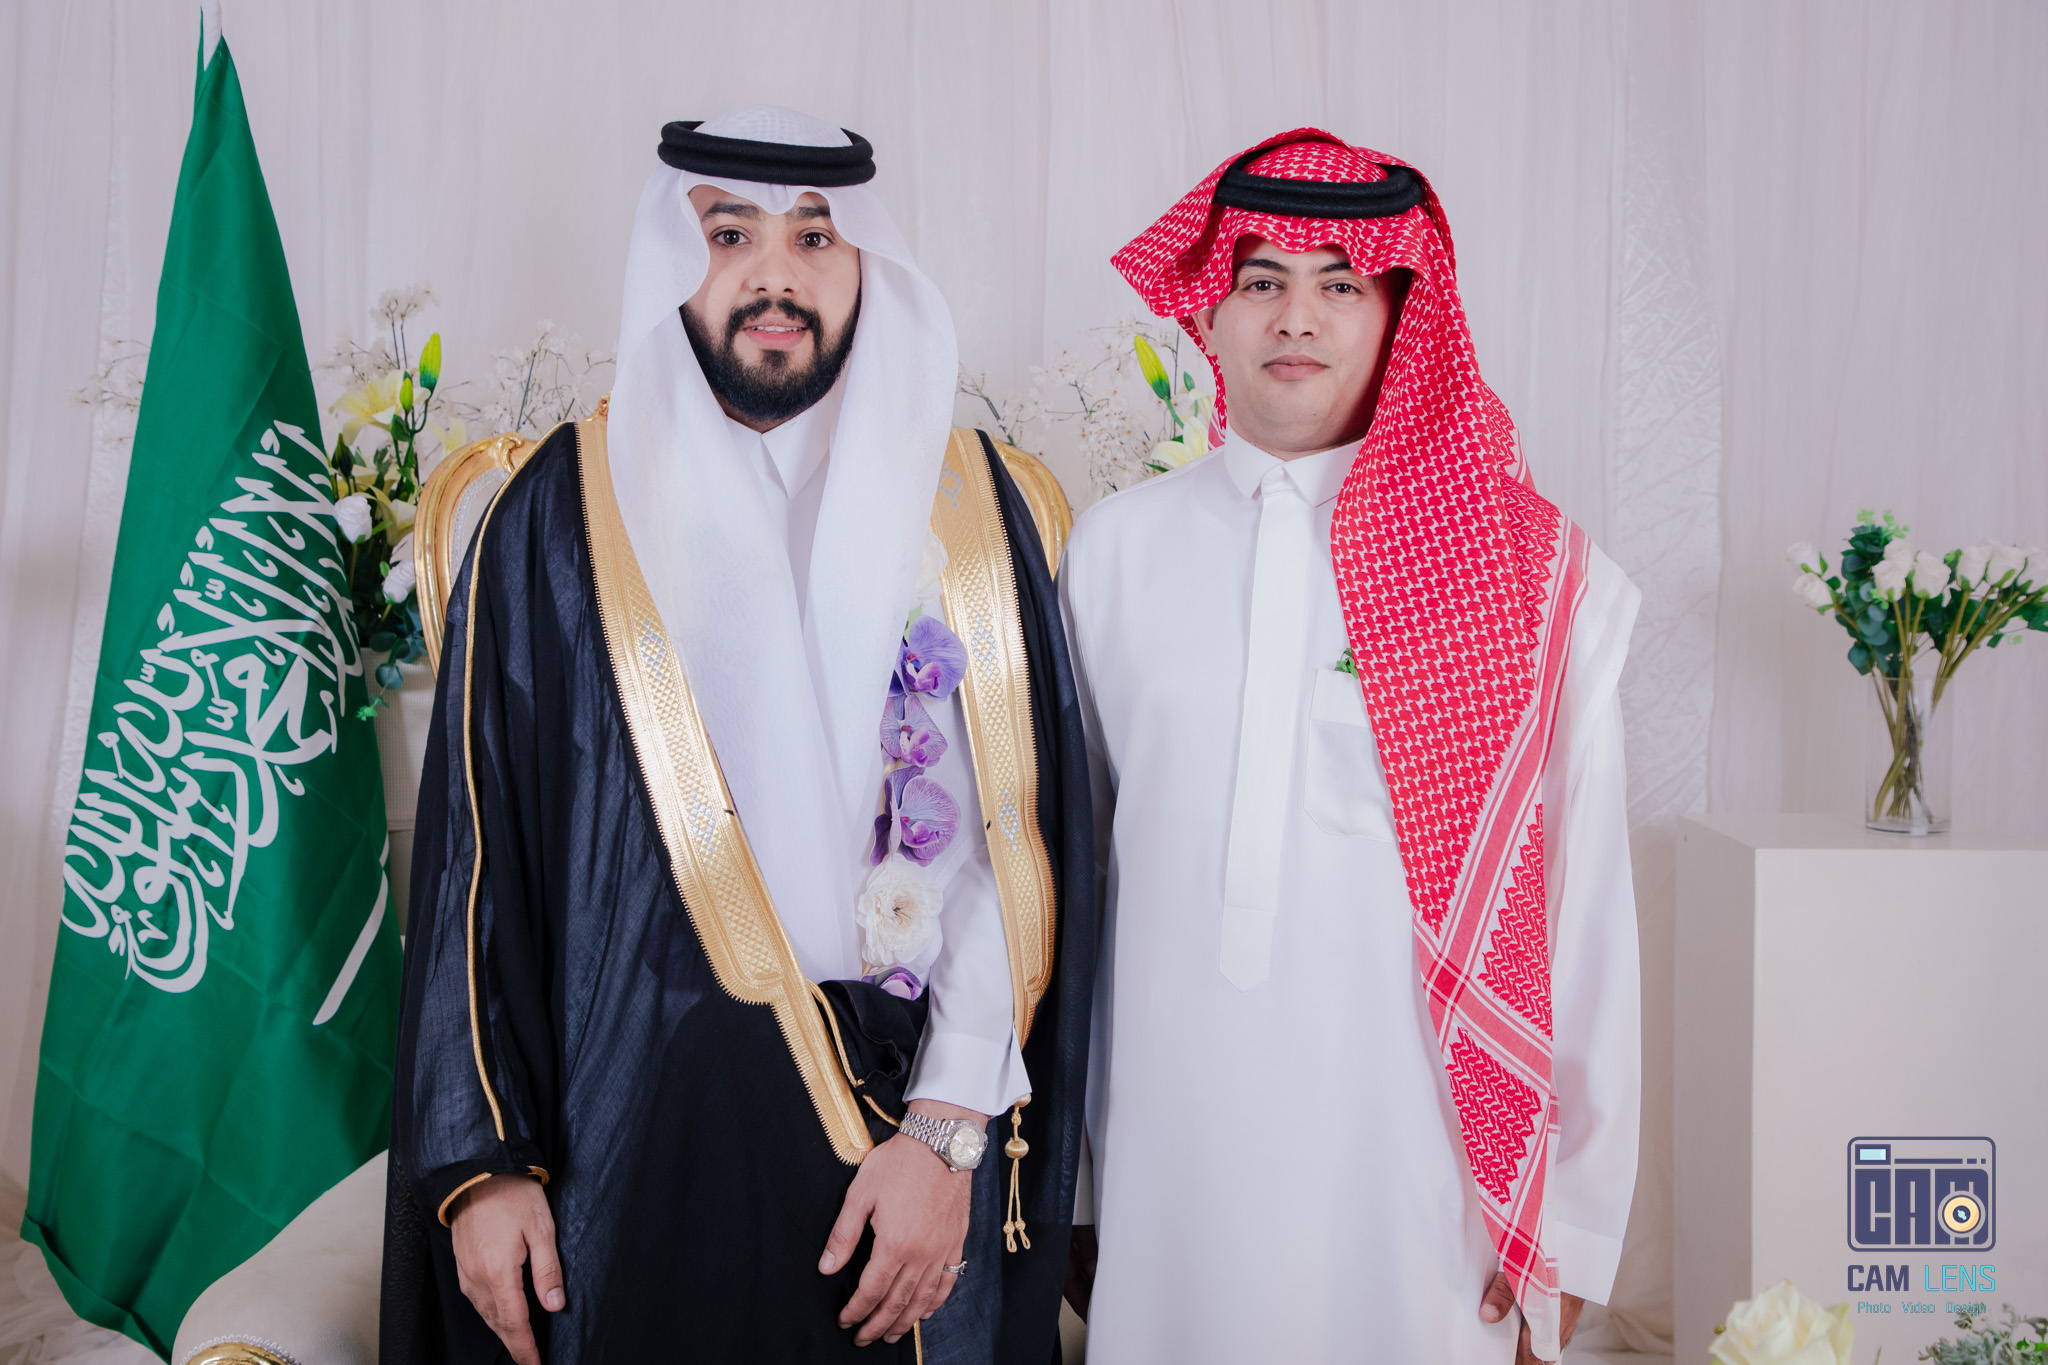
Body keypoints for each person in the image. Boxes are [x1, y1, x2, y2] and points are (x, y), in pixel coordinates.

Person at [381, 106, 1094, 1365]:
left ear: (864, 262)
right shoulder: (557, 512)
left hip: (916, 1153)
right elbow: (472, 866)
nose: (775, 275)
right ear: (674, 257)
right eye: (728, 235)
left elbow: (1009, 849)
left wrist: (945, 1133)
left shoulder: (972, 509)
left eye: (814, 236)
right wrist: (485, 1168)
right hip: (631, 1144)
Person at [1060, 130, 1642, 1363]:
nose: (1295, 316)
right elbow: (1068, 886)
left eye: (1339, 283)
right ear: (1207, 310)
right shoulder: (1112, 552)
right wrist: (1071, 1189)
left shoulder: (1522, 574)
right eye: (1260, 280)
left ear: (1397, 316)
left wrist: (1569, 1229)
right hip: (1169, 1171)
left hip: (1420, 1188)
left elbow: (1580, 903)